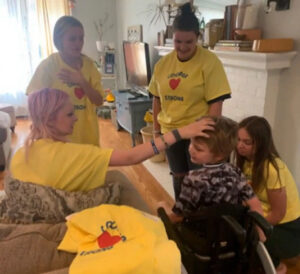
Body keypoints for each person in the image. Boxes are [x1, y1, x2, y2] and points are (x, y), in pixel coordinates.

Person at [10, 88, 215, 193]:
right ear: (50, 119)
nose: (76, 118)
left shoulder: (20, 153)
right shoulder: (76, 155)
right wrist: (180, 133)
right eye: (69, 114)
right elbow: (131, 156)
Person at [148, 3, 231, 200]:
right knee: (178, 176)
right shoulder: (162, 64)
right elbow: (157, 99)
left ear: (198, 38)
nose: (183, 47)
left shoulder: (210, 62)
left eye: (189, 42)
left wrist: (207, 135)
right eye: (178, 41)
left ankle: (199, 221)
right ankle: (182, 213)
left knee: (199, 179)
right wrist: (156, 130)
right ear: (172, 37)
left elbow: (216, 104)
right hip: (171, 133)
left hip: (197, 133)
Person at [158, 116, 264, 230]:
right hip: (230, 233)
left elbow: (179, 216)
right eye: (191, 143)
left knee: (160, 205)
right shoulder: (236, 172)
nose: (190, 149)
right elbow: (255, 204)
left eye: (198, 149)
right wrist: (259, 239)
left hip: (200, 236)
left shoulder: (193, 179)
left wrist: (162, 211)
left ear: (220, 154)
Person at [236, 116, 300, 274]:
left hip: (288, 227)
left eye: (247, 142)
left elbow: (278, 214)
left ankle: (278, 267)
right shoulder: (246, 161)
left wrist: (253, 225)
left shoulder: (271, 168)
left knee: (247, 235)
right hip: (263, 216)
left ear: (260, 143)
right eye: (238, 139)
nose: (239, 145)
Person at [26, 16, 103, 146]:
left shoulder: (89, 65)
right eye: (72, 39)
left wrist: (82, 82)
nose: (78, 43)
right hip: (57, 140)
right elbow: (33, 99)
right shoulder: (49, 65)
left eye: (81, 38)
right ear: (59, 40)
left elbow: (99, 101)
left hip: (87, 137)